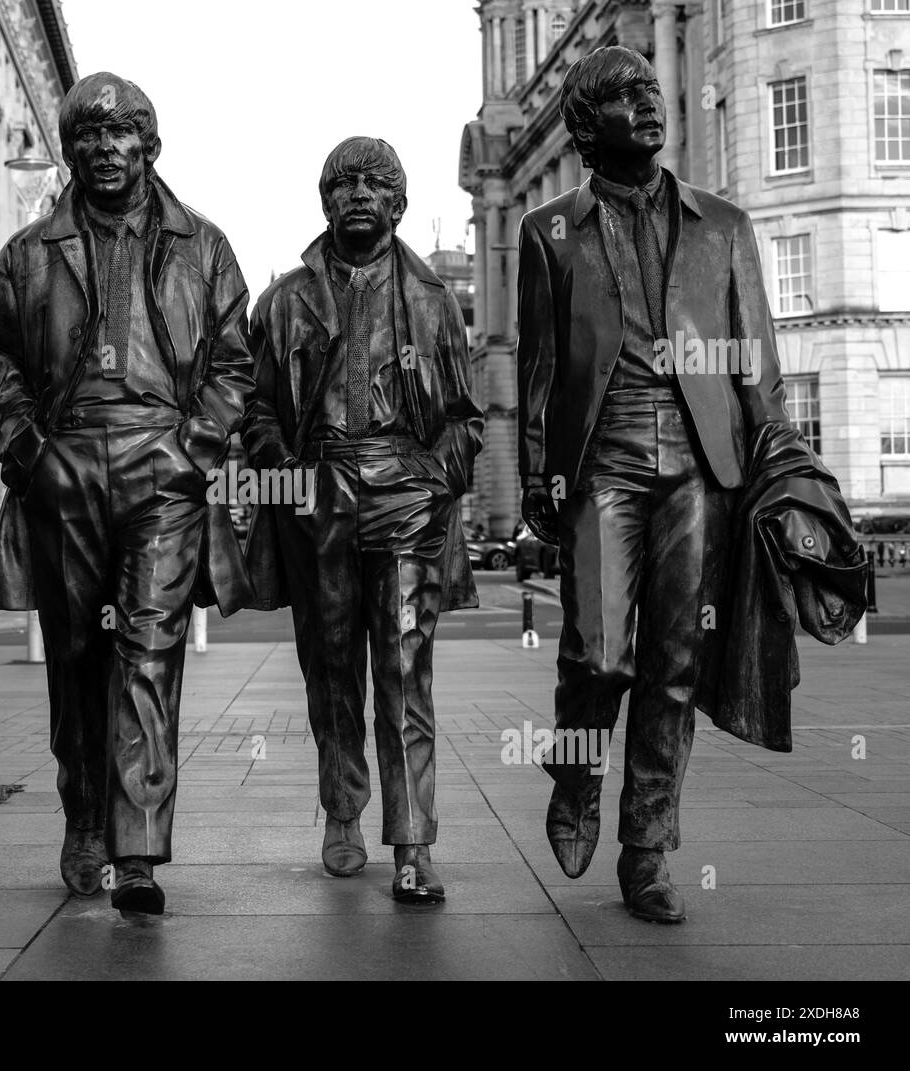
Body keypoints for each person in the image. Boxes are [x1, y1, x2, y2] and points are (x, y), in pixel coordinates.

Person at [516, 45, 799, 921]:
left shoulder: (725, 225)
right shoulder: (550, 231)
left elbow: (756, 361)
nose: (647, 102)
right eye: (623, 94)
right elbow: (540, 368)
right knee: (597, 653)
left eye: (650, 88)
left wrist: (781, 460)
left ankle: (646, 849)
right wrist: (538, 473)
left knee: (675, 662)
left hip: (698, 463)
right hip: (601, 459)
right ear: (586, 122)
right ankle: (575, 772)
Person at [0, 73, 253, 915]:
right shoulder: (28, 254)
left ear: (149, 145)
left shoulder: (202, 246)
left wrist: (192, 447)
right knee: (76, 659)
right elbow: (0, 366)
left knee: (148, 651)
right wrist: (30, 452)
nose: (104, 149)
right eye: (87, 136)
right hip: (65, 470)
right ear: (70, 151)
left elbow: (235, 364)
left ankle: (137, 847)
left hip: (162, 470)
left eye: (121, 133)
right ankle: (84, 818)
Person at [243, 137, 484, 903]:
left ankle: (412, 840)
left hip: (405, 499)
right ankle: (343, 807)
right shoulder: (284, 301)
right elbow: (252, 409)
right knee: (331, 667)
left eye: (374, 183)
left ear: (398, 203)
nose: (357, 193)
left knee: (405, 669)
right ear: (324, 201)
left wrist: (434, 481)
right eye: (342, 182)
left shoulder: (434, 300)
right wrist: (283, 467)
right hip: (319, 495)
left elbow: (465, 419)